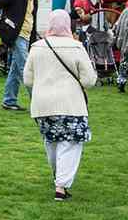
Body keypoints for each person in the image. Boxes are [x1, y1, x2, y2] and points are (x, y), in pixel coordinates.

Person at [23, 10, 98, 201]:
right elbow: (89, 80)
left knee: (52, 141)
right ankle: (61, 186)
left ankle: (59, 178)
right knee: (70, 143)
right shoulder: (77, 47)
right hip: (70, 103)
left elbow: (28, 80)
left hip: (42, 105)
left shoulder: (37, 47)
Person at [0, 0, 44, 112]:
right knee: (26, 69)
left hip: (26, 35)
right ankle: (39, 103)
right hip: (16, 34)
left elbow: (31, 18)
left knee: (15, 69)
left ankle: (9, 100)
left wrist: (33, 38)